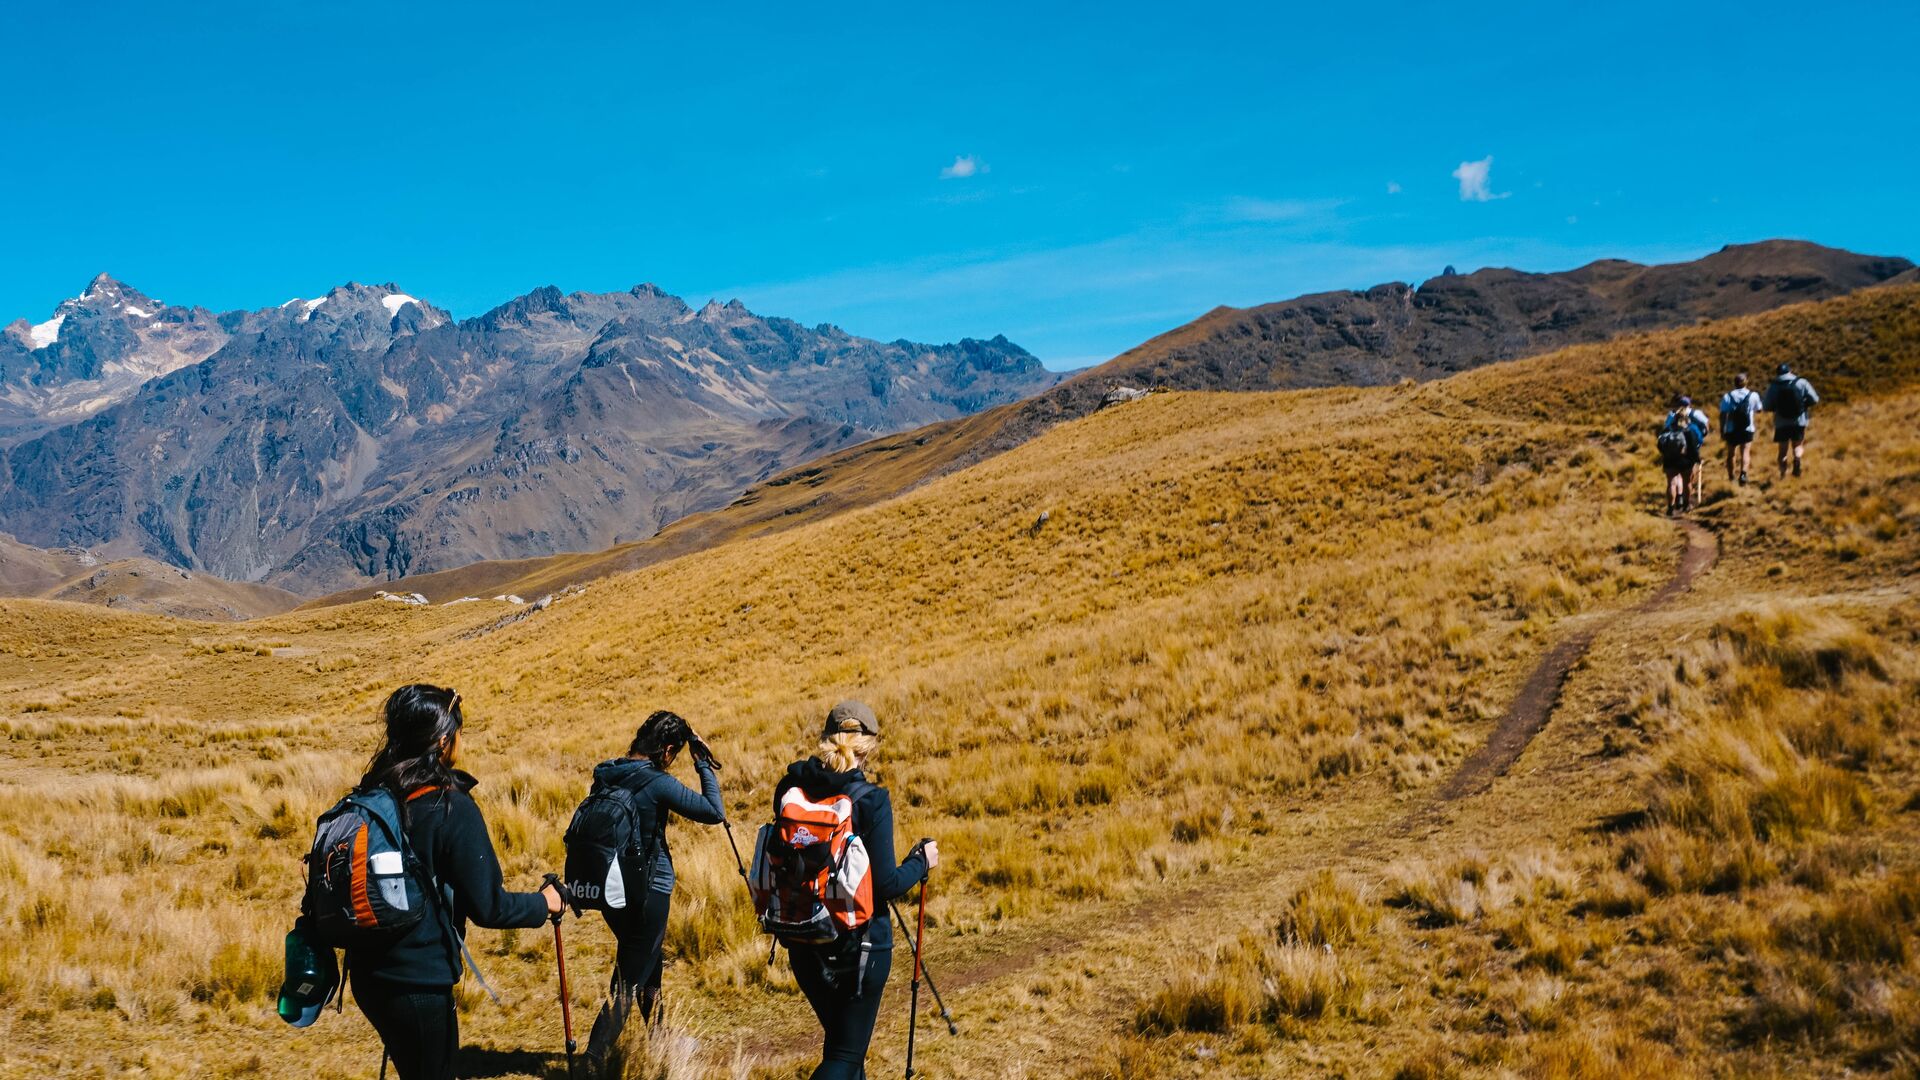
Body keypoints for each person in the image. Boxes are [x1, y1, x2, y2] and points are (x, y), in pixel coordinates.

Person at [346, 685, 564, 1080]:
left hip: (366, 975)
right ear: (445, 741)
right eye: (460, 734)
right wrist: (544, 903)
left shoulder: (379, 794)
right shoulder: (452, 807)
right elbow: (489, 907)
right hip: (418, 981)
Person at [776, 700, 939, 1080]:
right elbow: (886, 884)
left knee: (844, 1045)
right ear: (869, 748)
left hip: (802, 936)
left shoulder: (789, 789)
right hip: (859, 943)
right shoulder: (871, 800)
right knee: (846, 1055)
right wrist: (922, 861)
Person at [581, 710, 726, 1071]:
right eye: (673, 755)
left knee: (648, 964)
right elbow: (714, 811)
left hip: (612, 891)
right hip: (649, 891)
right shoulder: (657, 782)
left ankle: (660, 1043)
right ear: (667, 750)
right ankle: (591, 1060)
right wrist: (703, 765)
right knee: (629, 979)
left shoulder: (607, 774)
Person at [1764, 361, 1820, 478]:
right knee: (1798, 446)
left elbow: (1766, 406)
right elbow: (1814, 399)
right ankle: (1797, 458)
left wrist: (1776, 408)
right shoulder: (1801, 382)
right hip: (1799, 421)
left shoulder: (1774, 386)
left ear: (1777, 373)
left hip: (1781, 422)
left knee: (1782, 452)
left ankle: (1783, 475)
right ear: (1790, 371)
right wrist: (1804, 405)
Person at [1657, 395, 1704, 516]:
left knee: (1671, 483)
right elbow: (1695, 445)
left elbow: (1660, 443)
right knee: (1687, 483)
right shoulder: (1691, 429)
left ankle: (1670, 508)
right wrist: (1697, 459)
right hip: (1685, 460)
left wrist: (1664, 454)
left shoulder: (1668, 429)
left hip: (1670, 459)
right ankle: (1686, 505)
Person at [1717, 372, 1763, 485]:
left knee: (1731, 453)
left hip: (1731, 429)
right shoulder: (1753, 395)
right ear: (1746, 382)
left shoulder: (1728, 396)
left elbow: (1723, 415)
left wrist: (1722, 430)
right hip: (1747, 428)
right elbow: (1759, 409)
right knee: (1745, 452)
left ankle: (1731, 476)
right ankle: (1743, 474)